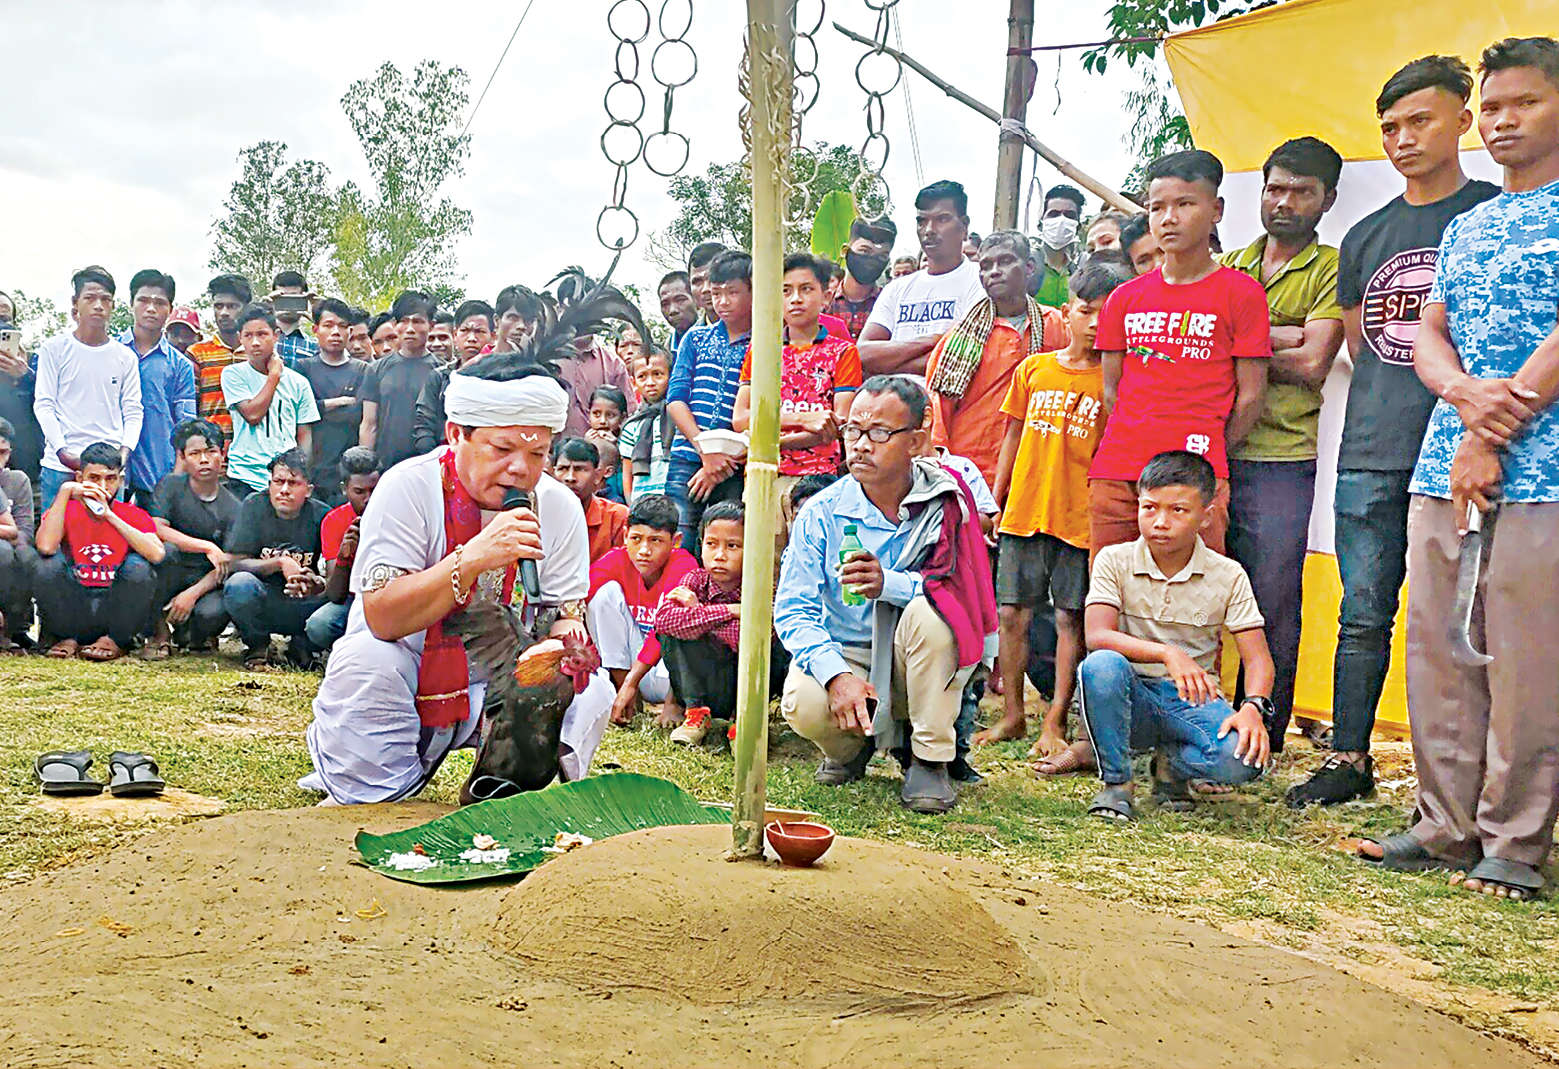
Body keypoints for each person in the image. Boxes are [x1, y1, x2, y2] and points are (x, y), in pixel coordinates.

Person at [1353, 37, 1559, 902]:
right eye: (1493, 107)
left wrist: (1496, 419)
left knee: (1527, 656)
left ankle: (1513, 839)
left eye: (1524, 103)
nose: (1502, 122)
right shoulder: (1466, 225)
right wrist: (1461, 395)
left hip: (1542, 468)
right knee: (1439, 646)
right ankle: (1444, 822)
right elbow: (1429, 332)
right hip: (1444, 462)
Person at [1287, 56, 1501, 808]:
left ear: (1462, 122)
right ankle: (1349, 757)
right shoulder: (1365, 236)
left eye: (1420, 121)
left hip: (1462, 448)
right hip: (1371, 449)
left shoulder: (1491, 216)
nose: (1403, 139)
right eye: (1389, 127)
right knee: (1363, 612)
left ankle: (1461, 782)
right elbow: (1362, 343)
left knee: (1462, 620)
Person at [300, 358, 614, 804]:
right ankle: (371, 793)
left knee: (587, 686)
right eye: (502, 449)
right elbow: (382, 618)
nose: (520, 469)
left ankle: (501, 790)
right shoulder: (406, 486)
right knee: (367, 660)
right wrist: (471, 560)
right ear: (455, 435)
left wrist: (561, 651)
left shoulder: (558, 506)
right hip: (407, 659)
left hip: (501, 666)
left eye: (538, 453)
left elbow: (563, 614)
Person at [776, 376, 998, 814]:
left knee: (931, 615)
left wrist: (890, 584)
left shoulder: (945, 503)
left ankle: (929, 758)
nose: (861, 445)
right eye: (853, 431)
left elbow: (961, 593)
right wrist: (836, 676)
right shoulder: (822, 512)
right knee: (803, 702)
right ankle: (851, 748)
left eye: (879, 433)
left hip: (914, 657)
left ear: (916, 440)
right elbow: (793, 610)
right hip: (850, 654)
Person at [1215, 138, 1347, 754]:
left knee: (1271, 599)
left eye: (1302, 191)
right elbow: (1202, 345)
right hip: (1212, 450)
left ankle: (1261, 731)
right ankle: (1195, 724)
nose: (1285, 202)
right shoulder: (1230, 264)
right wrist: (1282, 334)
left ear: (1328, 199)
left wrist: (1239, 341)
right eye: (1275, 188)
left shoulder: (1333, 268)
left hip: (1282, 457)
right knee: (1191, 589)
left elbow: (1315, 362)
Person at [975, 258, 1131, 760]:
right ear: (1067, 312)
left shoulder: (1116, 382)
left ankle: (1056, 718)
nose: (1095, 323)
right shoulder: (1034, 369)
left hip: (1080, 518)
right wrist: (996, 499)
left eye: (1107, 313)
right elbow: (1012, 436)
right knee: (1011, 613)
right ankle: (1012, 714)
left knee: (1069, 618)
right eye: (1086, 311)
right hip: (1024, 511)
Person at [1088, 149, 1271, 556]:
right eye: (1157, 207)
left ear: (1216, 210)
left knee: (1194, 589)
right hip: (1117, 473)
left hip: (1197, 476)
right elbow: (1111, 391)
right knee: (1111, 587)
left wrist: (1209, 452)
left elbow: (1252, 396)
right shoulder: (1124, 298)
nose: (1168, 218)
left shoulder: (1242, 294)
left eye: (1185, 204)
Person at [1078, 450, 1273, 822]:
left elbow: (1258, 658)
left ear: (1206, 515)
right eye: (1149, 508)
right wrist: (1168, 653)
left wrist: (1253, 707)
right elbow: (1097, 634)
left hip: (1192, 700)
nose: (1160, 522)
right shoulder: (1114, 560)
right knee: (1100, 665)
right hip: (1129, 693)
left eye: (1178, 510)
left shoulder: (1228, 574)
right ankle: (1117, 784)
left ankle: (1172, 767)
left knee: (1245, 759)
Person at [925, 231, 1071, 487]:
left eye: (1005, 262)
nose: (993, 272)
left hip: (1039, 467)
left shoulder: (1056, 325)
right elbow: (938, 407)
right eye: (985, 266)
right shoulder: (960, 337)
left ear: (1029, 267)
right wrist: (941, 466)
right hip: (971, 470)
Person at [655, 500, 790, 745]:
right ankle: (696, 714)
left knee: (764, 643)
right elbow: (665, 621)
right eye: (711, 544)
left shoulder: (763, 587)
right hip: (705, 681)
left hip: (747, 684)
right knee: (673, 635)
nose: (719, 556)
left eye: (732, 546)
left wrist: (698, 616)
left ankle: (744, 722)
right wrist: (730, 611)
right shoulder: (695, 579)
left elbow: (741, 639)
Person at [732, 252, 862, 498]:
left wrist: (770, 440)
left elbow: (838, 424)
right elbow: (740, 418)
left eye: (806, 289)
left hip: (818, 479)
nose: (795, 299)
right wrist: (804, 419)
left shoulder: (843, 352)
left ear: (826, 296)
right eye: (785, 291)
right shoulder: (760, 351)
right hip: (763, 474)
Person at [32, 441, 164, 662]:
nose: (103, 486)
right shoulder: (65, 510)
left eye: (110, 479)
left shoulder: (132, 514)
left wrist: (109, 516)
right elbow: (45, 546)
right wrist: (65, 493)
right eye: (94, 478)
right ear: (80, 478)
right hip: (76, 605)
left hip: (113, 608)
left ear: (120, 480)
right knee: (45, 565)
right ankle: (66, 638)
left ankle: (114, 640)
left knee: (139, 568)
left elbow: (157, 554)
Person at [33, 266, 143, 505]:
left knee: (110, 528)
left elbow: (133, 410)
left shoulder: (125, 357)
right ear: (75, 303)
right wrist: (63, 452)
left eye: (105, 299)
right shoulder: (54, 349)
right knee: (54, 529)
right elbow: (44, 404)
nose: (98, 306)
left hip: (108, 469)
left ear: (113, 305)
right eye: (90, 298)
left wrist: (123, 454)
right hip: (60, 467)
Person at [590, 493, 699, 728]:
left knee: (683, 613)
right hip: (635, 668)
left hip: (669, 674)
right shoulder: (616, 560)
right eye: (636, 539)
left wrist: (669, 701)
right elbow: (579, 596)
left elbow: (667, 628)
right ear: (625, 536)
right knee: (603, 596)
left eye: (655, 541)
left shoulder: (683, 564)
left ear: (676, 541)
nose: (644, 550)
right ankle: (629, 699)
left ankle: (674, 703)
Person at [666, 250, 752, 544]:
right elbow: (675, 400)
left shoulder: (766, 343)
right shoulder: (695, 338)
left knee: (726, 545)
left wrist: (721, 464)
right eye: (716, 293)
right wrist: (705, 452)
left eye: (732, 292)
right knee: (678, 540)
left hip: (734, 466)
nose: (722, 301)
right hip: (687, 457)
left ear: (753, 292)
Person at [859, 180, 987, 377]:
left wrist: (888, 363)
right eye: (922, 221)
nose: (929, 230)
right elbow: (862, 353)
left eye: (942, 219)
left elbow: (962, 359)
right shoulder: (897, 288)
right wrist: (935, 340)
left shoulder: (982, 281)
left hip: (946, 395)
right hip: (887, 395)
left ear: (964, 226)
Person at [223, 450, 329, 671]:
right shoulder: (253, 506)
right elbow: (234, 562)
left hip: (303, 600)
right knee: (238, 585)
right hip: (264, 596)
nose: (284, 490)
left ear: (308, 490)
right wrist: (279, 563)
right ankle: (258, 646)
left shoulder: (322, 515)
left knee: (338, 597)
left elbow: (331, 575)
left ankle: (303, 647)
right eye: (278, 482)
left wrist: (313, 581)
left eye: (293, 483)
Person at [145, 419, 240, 658]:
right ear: (182, 457)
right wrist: (206, 546)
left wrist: (193, 594)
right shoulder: (170, 486)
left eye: (211, 451)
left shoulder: (234, 506)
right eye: (195, 453)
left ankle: (195, 634)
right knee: (163, 552)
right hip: (171, 569)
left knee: (212, 613)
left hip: (206, 580)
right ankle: (158, 633)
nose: (204, 459)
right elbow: (157, 528)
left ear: (223, 454)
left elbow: (228, 561)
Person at [117, 269, 197, 508]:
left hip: (158, 469)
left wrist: (177, 477)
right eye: (143, 300)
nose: (151, 308)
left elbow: (186, 426)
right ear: (131, 304)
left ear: (170, 309)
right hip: (109, 468)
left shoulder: (180, 365)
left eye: (159, 303)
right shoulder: (109, 353)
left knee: (157, 530)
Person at [221, 305, 320, 496]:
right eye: (248, 335)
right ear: (240, 338)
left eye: (262, 334)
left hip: (285, 479)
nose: (255, 342)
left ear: (276, 336)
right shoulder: (233, 374)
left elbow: (304, 436)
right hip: (244, 476)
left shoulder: (298, 383)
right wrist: (274, 375)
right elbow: (252, 415)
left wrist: (301, 474)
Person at [306, 447, 380, 653]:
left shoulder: (397, 514)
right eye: (359, 492)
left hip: (393, 597)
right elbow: (335, 595)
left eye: (374, 490)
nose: (368, 498)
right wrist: (344, 557)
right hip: (354, 599)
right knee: (319, 625)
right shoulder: (334, 521)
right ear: (344, 489)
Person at [296, 298, 369, 504]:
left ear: (350, 331)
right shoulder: (303, 368)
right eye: (328, 325)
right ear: (315, 330)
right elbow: (299, 415)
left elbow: (362, 416)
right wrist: (338, 402)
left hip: (351, 474)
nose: (335, 332)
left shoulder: (363, 370)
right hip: (313, 472)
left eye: (342, 326)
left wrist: (320, 407)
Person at [360, 290, 439, 469]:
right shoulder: (376, 370)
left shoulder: (442, 372)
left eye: (418, 321)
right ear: (395, 325)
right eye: (404, 321)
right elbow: (369, 424)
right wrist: (365, 467)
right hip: (385, 467)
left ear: (431, 325)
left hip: (428, 466)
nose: (410, 329)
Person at [412, 300, 497, 456]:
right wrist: (436, 460)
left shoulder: (502, 378)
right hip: (444, 457)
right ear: (455, 335)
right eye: (465, 330)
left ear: (493, 336)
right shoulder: (439, 377)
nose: (471, 338)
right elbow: (424, 426)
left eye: (479, 331)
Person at [188, 274, 253, 436]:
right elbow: (190, 409)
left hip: (254, 447)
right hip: (211, 446)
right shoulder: (197, 353)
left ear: (246, 308)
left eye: (232, 306)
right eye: (218, 306)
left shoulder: (259, 352)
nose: (224, 312)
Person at [552, 436, 627, 562]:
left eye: (580, 469)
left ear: (597, 475)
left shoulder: (616, 517)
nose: (570, 477)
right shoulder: (539, 514)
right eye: (562, 469)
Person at [828, 215, 897, 339]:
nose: (873, 259)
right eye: (865, 251)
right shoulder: (823, 302)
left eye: (882, 256)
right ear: (845, 251)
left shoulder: (891, 305)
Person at [0, 418, 36, 652]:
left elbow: (24, 532)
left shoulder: (16, 480)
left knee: (25, 556)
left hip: (9, 549)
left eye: (2, 452)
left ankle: (16, 628)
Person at [619, 348, 673, 503]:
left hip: (673, 498)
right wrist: (631, 503)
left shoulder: (677, 416)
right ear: (633, 382)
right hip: (642, 503)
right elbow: (627, 473)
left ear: (670, 375)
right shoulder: (632, 425)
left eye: (657, 374)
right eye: (642, 376)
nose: (650, 383)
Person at [0, 303, 43, 487]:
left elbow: (50, 405)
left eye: (4, 318)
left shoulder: (34, 362)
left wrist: (25, 376)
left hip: (28, 471)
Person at [1033, 184, 1087, 307]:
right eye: (1054, 214)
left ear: (1078, 226)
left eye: (1069, 215)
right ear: (1041, 224)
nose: (1061, 220)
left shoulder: (1081, 271)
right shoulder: (1025, 266)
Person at [587, 384, 629, 502]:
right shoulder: (583, 442)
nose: (603, 421)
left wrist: (618, 447)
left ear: (622, 417)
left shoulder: (628, 443)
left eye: (610, 415)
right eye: (596, 414)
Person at [270, 271, 318, 368]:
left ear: (304, 299)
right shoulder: (260, 339)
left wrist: (320, 318)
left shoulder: (315, 345)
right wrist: (262, 311)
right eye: (283, 298)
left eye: (294, 298)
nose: (288, 303)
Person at [493, 285, 544, 354]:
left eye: (528, 320)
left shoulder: (544, 359)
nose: (522, 326)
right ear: (497, 321)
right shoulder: (480, 360)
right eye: (513, 318)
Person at [658, 271, 699, 354]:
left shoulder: (721, 337)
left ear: (697, 300)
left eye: (680, 300)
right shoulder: (665, 354)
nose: (672, 310)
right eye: (665, 304)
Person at [687, 242, 728, 325]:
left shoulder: (755, 323)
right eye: (697, 282)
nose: (706, 289)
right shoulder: (694, 333)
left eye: (712, 279)